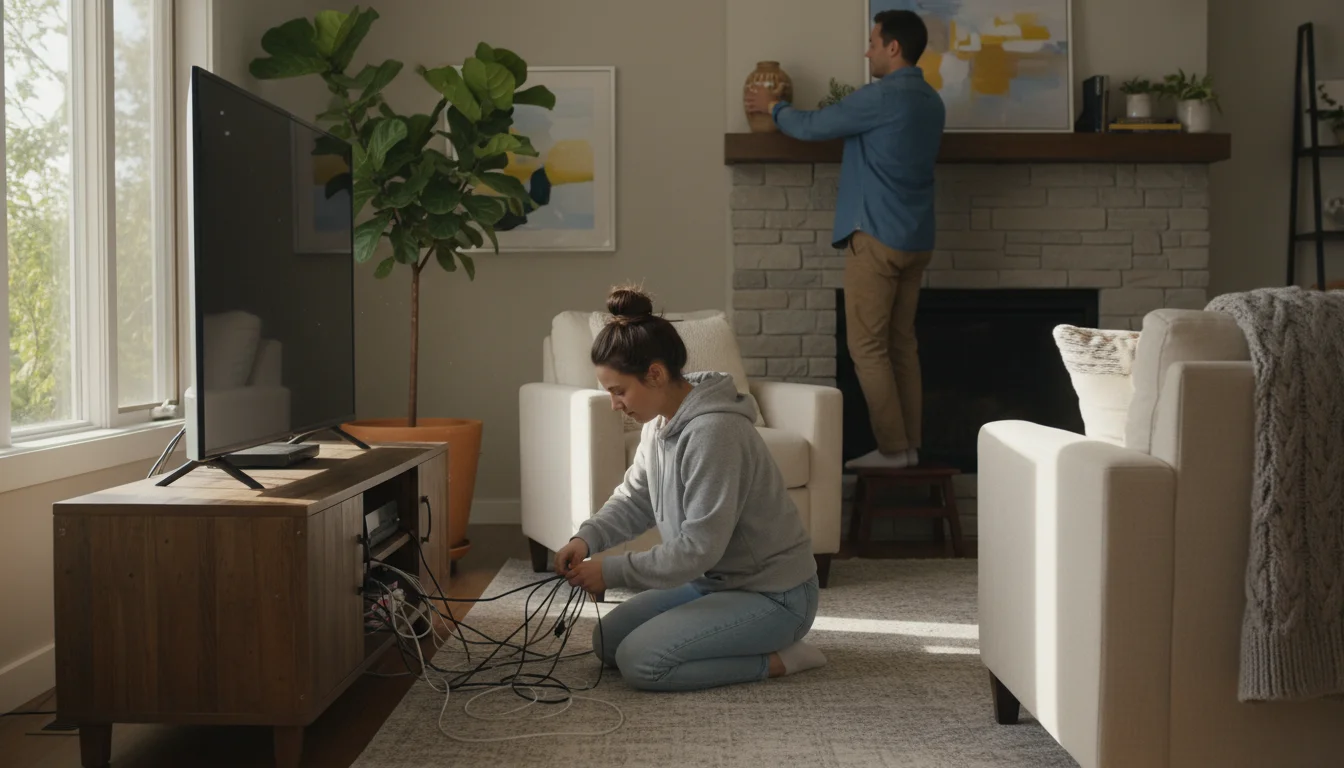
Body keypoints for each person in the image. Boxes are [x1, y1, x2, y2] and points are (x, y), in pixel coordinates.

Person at [554, 286, 828, 692]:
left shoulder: (715, 432)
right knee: (608, 643)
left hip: (775, 596)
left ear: (656, 374)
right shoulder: (659, 424)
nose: (615, 404)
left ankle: (783, 658)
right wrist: (586, 537)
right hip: (714, 584)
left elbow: (698, 549)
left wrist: (610, 572)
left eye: (618, 391)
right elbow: (634, 500)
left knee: (641, 663)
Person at [745, 9, 945, 469]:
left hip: (875, 238)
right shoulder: (932, 101)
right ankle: (910, 446)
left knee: (867, 347)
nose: (867, 50)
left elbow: (812, 127)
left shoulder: (883, 97)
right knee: (901, 344)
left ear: (894, 48)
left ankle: (893, 450)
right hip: (917, 239)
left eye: (873, 43)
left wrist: (772, 107)